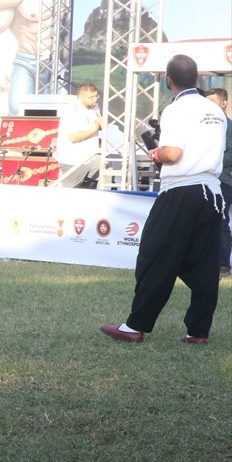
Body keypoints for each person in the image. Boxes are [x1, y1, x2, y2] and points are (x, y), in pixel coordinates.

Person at [100, 55, 227, 345]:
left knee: (153, 255)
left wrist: (154, 152)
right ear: (197, 78)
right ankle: (197, 331)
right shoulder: (216, 110)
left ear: (167, 79)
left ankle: (135, 326)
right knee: (204, 264)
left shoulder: (175, 109)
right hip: (211, 192)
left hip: (180, 190)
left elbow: (172, 154)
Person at [56, 82, 104, 188]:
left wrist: (101, 125)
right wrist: (94, 129)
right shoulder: (72, 109)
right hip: (73, 159)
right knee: (69, 191)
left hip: (91, 157)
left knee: (104, 169)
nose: (95, 99)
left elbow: (98, 123)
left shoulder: (95, 107)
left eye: (96, 96)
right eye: (91, 97)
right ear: (81, 97)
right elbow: (73, 137)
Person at [208, 88, 231, 277]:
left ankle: (223, 266)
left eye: (212, 101)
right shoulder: (204, 126)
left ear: (224, 103)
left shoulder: (229, 127)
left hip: (222, 180)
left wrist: (212, 161)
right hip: (203, 180)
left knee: (222, 222)